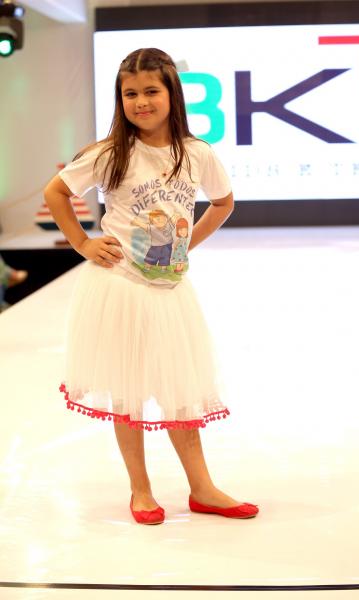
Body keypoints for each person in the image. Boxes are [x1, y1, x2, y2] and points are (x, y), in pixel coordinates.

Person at [44, 48, 258, 525]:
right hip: (120, 287)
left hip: (171, 292)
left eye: (150, 91)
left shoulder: (196, 153)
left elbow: (223, 203)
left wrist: (186, 245)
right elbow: (56, 191)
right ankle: (140, 490)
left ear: (172, 94)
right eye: (130, 94)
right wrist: (82, 242)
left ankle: (202, 488)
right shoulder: (110, 154)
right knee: (129, 390)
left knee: (178, 388)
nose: (140, 102)